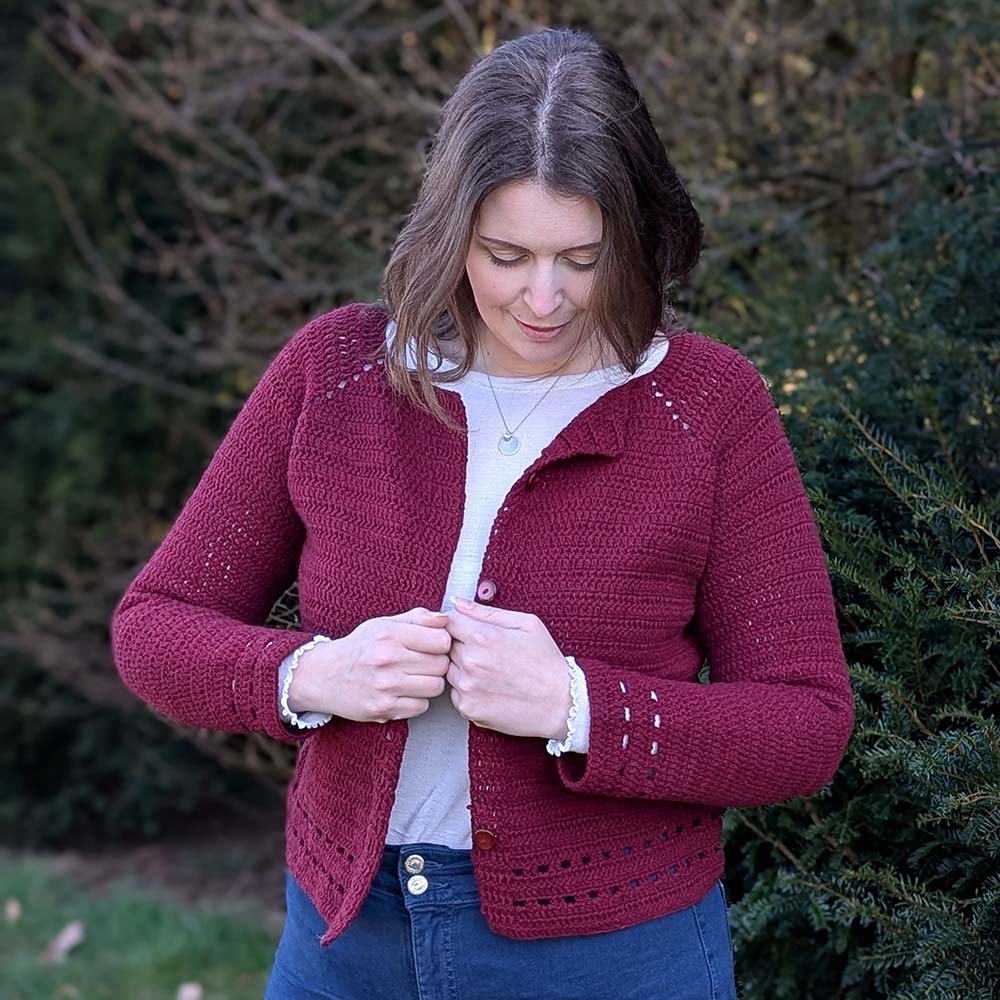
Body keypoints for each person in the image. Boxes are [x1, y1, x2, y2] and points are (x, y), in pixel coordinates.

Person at [110, 26, 855, 1000]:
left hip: (611, 956)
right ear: (451, 231)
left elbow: (805, 723)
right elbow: (153, 626)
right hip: (346, 941)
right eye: (507, 254)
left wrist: (578, 706)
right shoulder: (336, 375)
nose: (545, 298)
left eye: (583, 258)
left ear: (635, 234)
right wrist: (314, 673)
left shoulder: (704, 407)